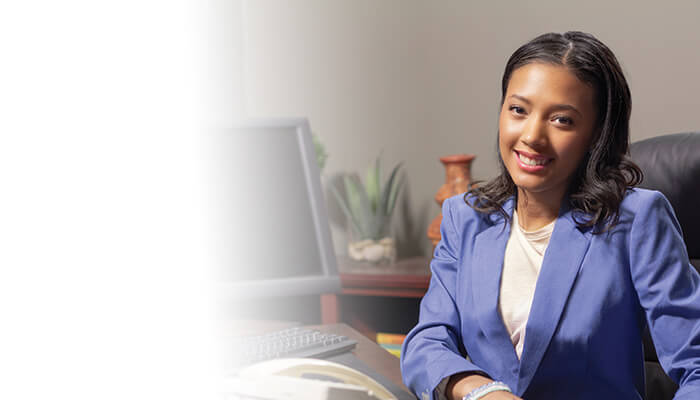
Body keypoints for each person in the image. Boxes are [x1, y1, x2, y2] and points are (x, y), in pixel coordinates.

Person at [400, 31, 700, 400]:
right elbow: (427, 343)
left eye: (561, 120)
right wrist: (482, 392)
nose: (532, 136)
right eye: (518, 110)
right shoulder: (466, 218)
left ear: (596, 135)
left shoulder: (637, 220)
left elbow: (697, 365)